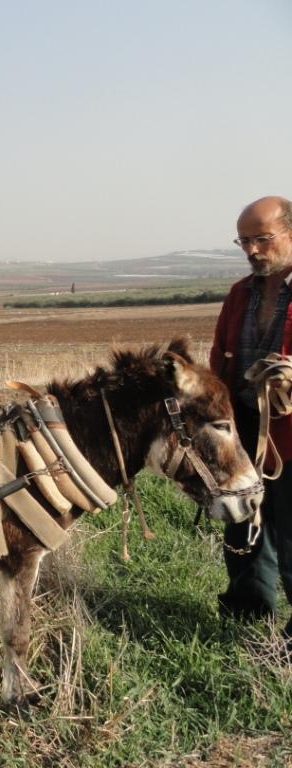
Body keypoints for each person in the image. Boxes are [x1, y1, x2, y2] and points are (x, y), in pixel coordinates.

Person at [210, 195, 292, 636]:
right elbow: (218, 361)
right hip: (241, 435)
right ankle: (249, 615)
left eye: (262, 239)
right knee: (242, 526)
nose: (252, 250)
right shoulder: (239, 294)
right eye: (244, 241)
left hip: (291, 438)